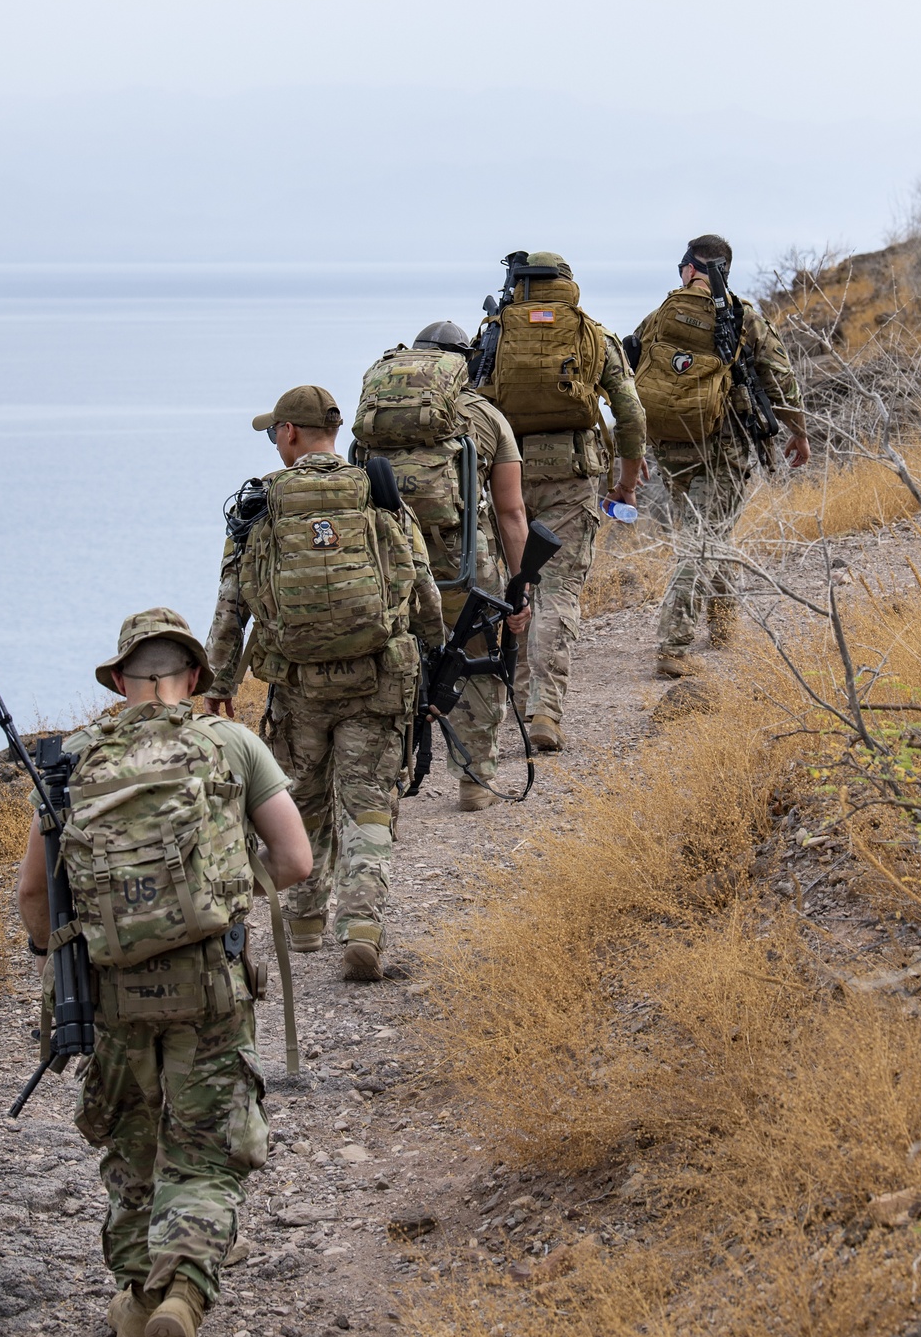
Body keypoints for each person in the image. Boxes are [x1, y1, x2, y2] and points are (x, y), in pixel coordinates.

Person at [17, 607, 312, 1337]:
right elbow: (296, 860)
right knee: (206, 1155)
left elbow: (33, 894)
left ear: (119, 682)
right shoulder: (231, 744)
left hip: (110, 993)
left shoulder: (71, 760)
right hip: (208, 984)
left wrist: (63, 965)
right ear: (192, 681)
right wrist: (223, 897)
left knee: (131, 1142)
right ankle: (182, 1297)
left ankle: (137, 1295)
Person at [204, 384, 444, 977]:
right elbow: (420, 583)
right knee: (367, 806)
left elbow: (232, 603)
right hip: (378, 680)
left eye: (274, 432)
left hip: (299, 686)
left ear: (289, 433)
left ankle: (306, 922)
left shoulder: (263, 501)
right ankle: (362, 926)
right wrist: (436, 651)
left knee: (302, 797)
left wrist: (219, 682)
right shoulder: (377, 489)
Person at [472, 252, 647, 752]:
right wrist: (626, 483)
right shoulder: (593, 334)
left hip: (504, 477)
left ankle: (517, 699)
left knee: (516, 585)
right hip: (571, 477)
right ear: (567, 285)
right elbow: (631, 417)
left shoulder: (494, 333)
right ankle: (545, 709)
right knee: (559, 589)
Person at [353, 320, 530, 811]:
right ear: (462, 363)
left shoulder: (375, 419)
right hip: (465, 562)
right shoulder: (487, 419)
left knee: (392, 658)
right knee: (474, 657)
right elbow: (512, 512)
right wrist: (520, 589)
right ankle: (474, 780)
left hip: (393, 560)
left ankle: (380, 783)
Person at [631, 234, 811, 677]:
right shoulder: (743, 317)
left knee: (710, 535)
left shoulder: (661, 315)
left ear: (691, 268)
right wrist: (799, 432)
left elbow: (632, 368)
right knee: (704, 540)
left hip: (669, 445)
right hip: (721, 444)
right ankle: (673, 645)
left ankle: (724, 627)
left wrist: (633, 446)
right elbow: (779, 378)